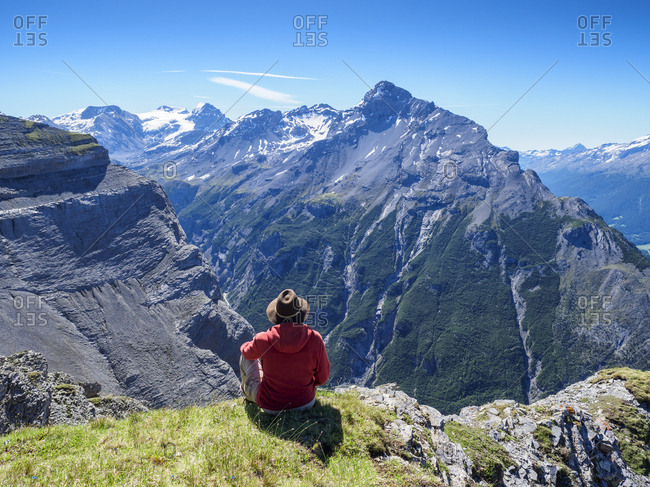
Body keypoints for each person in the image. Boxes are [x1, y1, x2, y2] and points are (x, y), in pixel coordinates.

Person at [239, 289, 330, 414]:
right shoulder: (315, 339)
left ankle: (246, 390)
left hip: (270, 406)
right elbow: (322, 378)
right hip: (306, 403)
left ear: (277, 317)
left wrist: (250, 345)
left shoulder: (263, 339)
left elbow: (246, 353)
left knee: (246, 356)